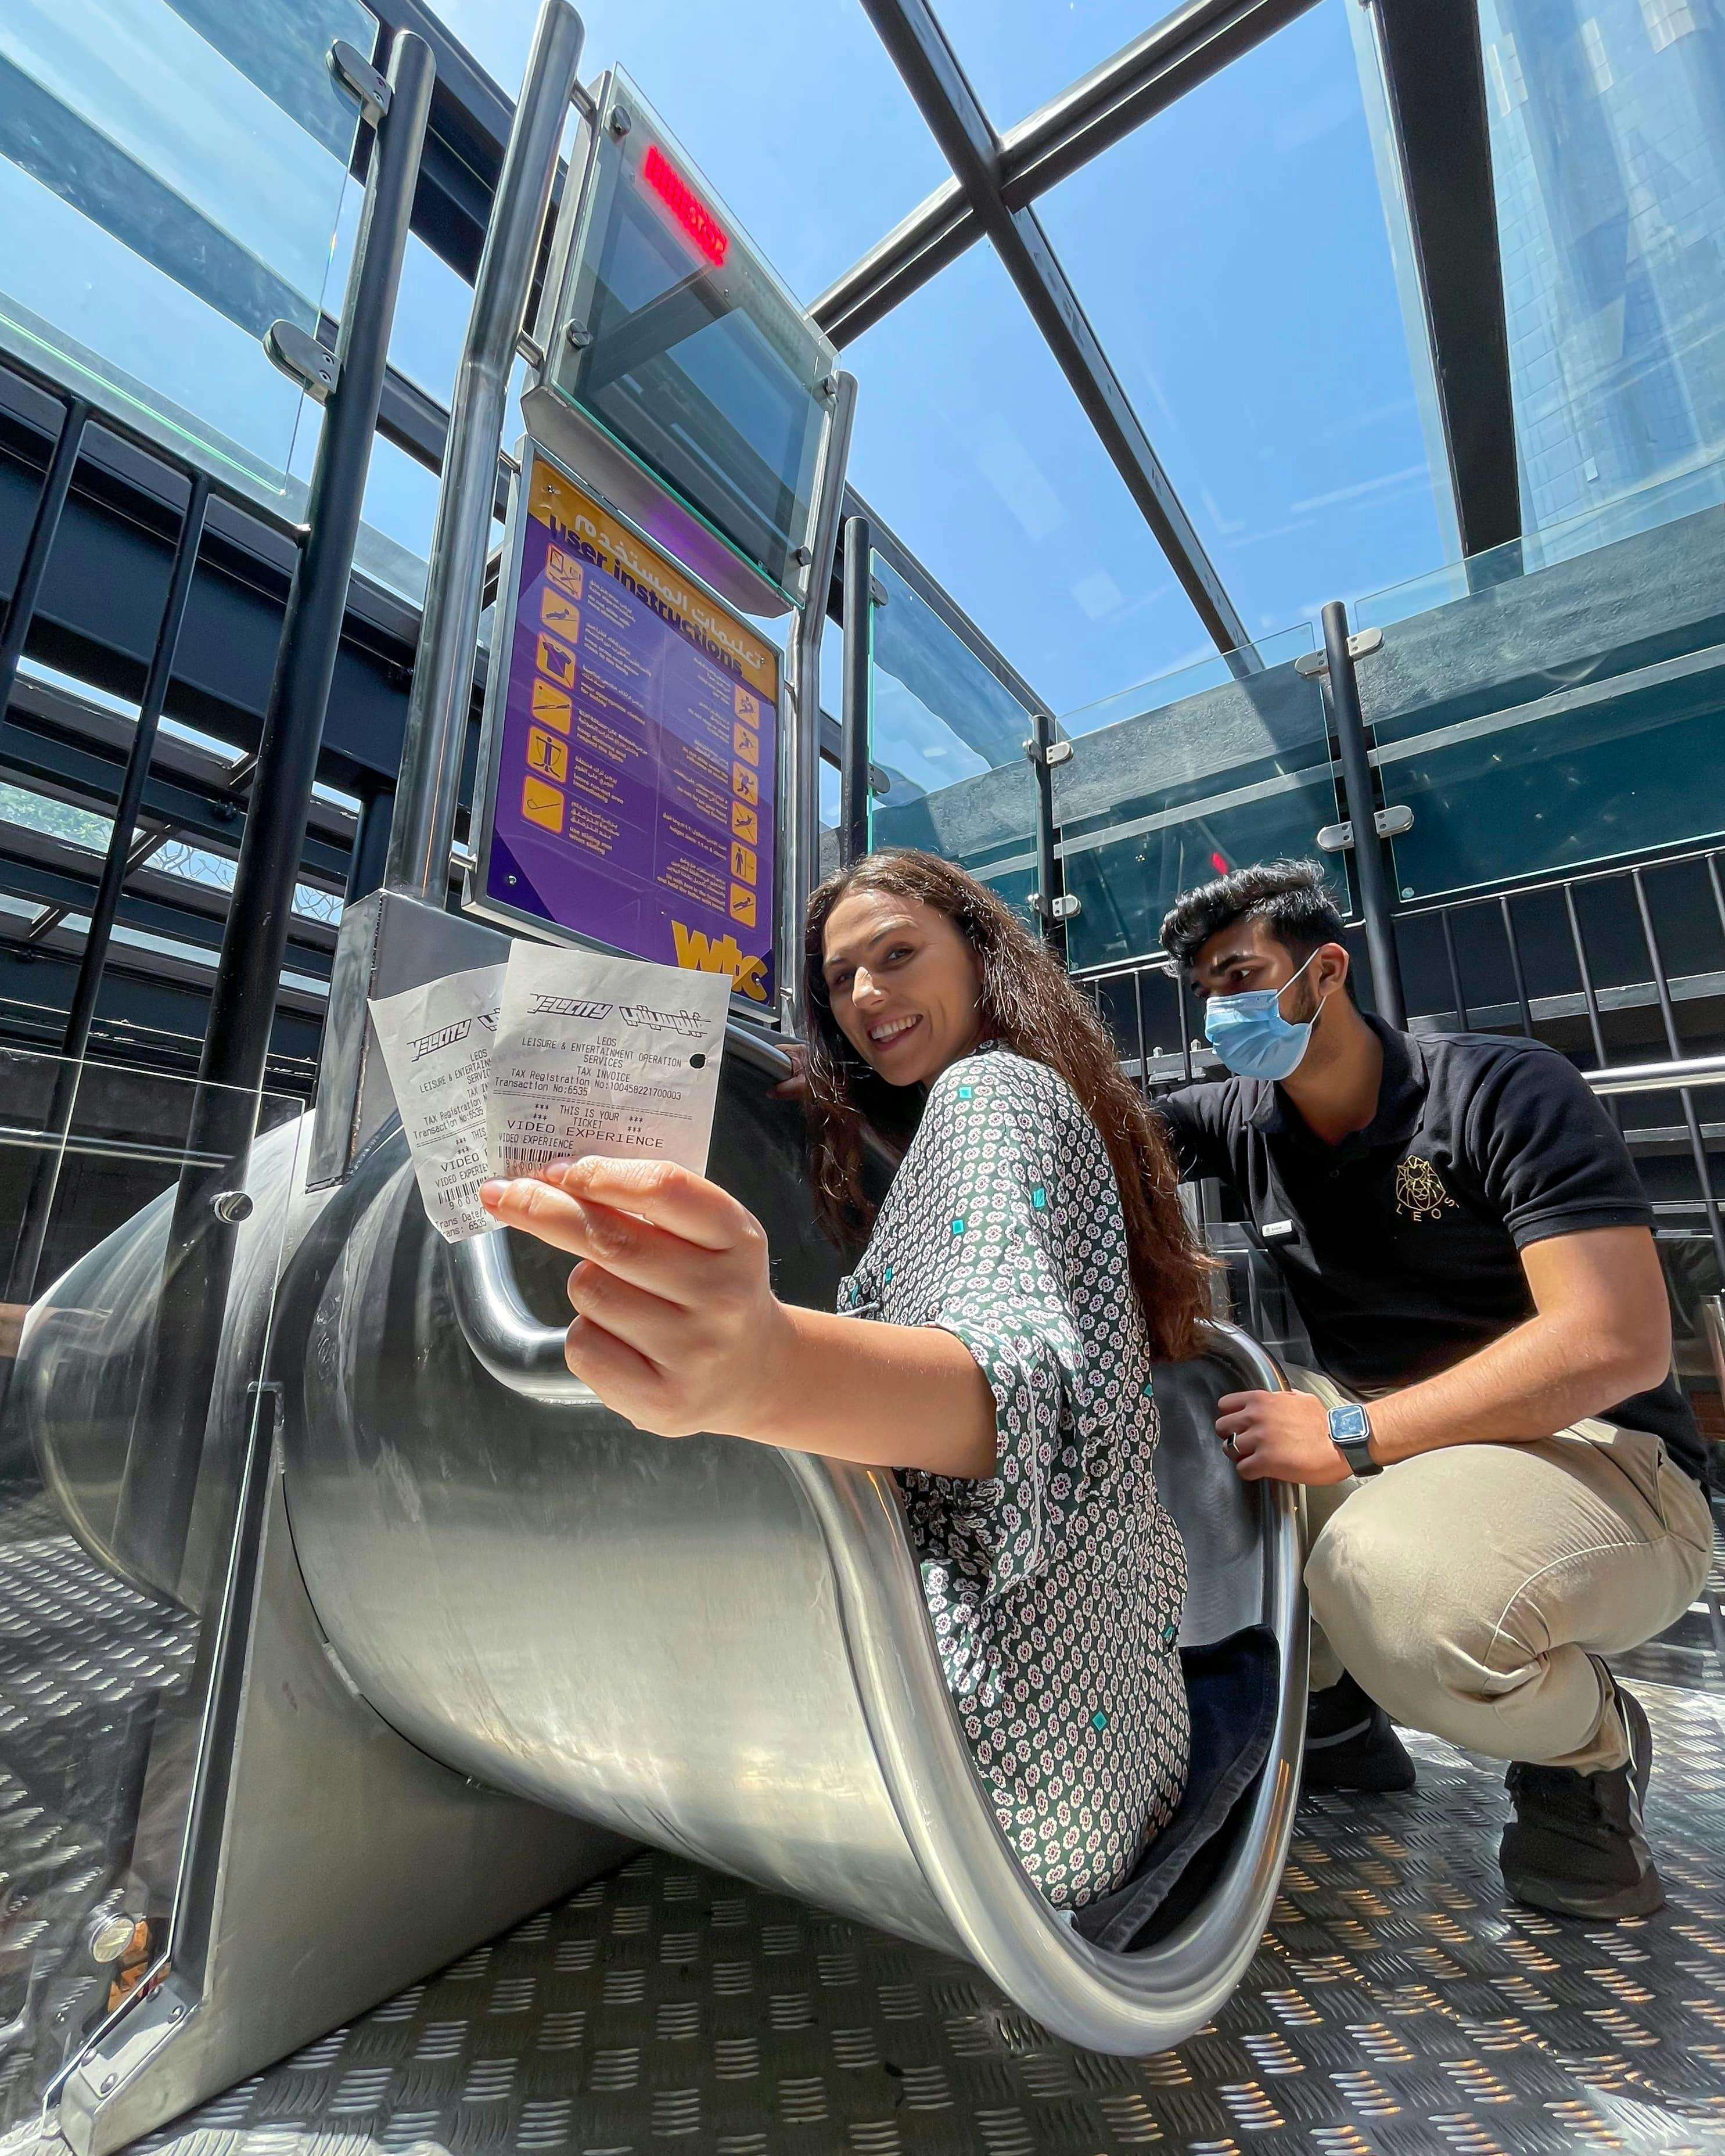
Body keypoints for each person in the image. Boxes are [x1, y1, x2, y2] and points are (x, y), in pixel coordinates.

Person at [481, 850, 1212, 1910]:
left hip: (996, 1771)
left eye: (898, 954)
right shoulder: (1019, 1115)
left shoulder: (991, 1091)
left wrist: (768, 1371)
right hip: (1108, 1754)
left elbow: (1013, 1396)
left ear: (982, 954)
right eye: (838, 979)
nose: (867, 995)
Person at [1154, 859, 1715, 1921]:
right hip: (1395, 1450)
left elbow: (1615, 1344)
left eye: (1241, 977)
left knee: (1400, 1589)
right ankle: (1333, 1716)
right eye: (1205, 994)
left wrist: (1356, 1431)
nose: (1222, 1014)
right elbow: (1082, 1131)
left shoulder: (1500, 1088)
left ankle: (1586, 1747)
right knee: (1183, 1407)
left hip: (1602, 1459)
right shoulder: (1235, 1118)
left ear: (1324, 973)